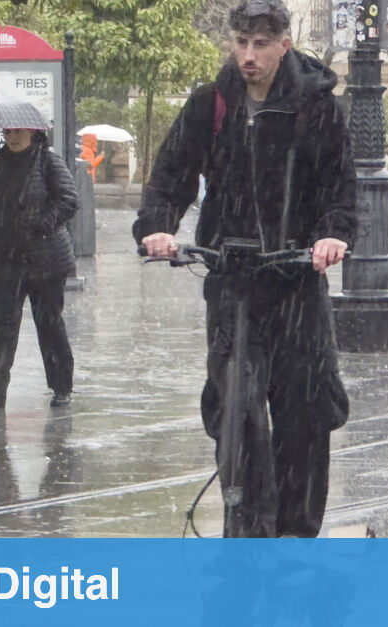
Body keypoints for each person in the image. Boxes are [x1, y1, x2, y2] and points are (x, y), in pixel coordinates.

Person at [133, 0, 357, 537]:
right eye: (240, 43)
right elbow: (170, 177)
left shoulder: (316, 107)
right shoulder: (211, 105)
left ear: (284, 44)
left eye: (260, 44)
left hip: (296, 280)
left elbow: (339, 190)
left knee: (304, 416)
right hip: (231, 281)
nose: (248, 55)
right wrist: (156, 227)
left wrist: (332, 235)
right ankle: (249, 531)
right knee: (237, 411)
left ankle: (296, 538)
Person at [0, 127, 79, 409]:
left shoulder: (48, 161)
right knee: (4, 324)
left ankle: (61, 385)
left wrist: (40, 225)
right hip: (6, 259)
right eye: (8, 132)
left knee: (49, 322)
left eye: (19, 132)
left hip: (46, 259)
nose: (13, 137)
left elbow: (69, 200)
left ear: (33, 132)